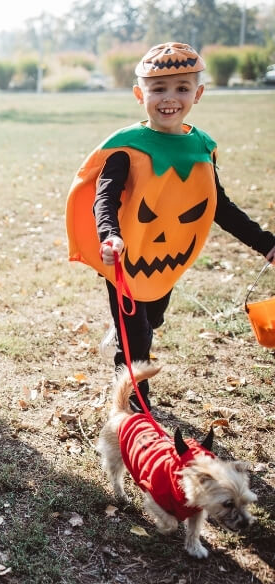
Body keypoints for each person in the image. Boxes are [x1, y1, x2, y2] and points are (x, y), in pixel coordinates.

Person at [65, 42, 275, 410]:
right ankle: (134, 404)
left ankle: (128, 335)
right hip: (125, 257)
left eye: (181, 88)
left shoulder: (201, 148)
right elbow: (106, 197)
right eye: (158, 88)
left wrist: (265, 243)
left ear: (199, 93)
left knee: (153, 319)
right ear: (139, 94)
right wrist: (109, 235)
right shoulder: (127, 147)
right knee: (136, 338)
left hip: (165, 258)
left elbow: (217, 206)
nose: (169, 98)